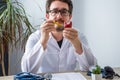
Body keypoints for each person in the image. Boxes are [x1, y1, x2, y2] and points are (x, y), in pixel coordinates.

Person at [21, 0, 97, 74]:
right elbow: (27, 70)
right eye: (54, 12)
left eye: (64, 12)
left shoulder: (78, 36)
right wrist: (43, 41)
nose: (59, 16)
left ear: (70, 16)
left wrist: (77, 44)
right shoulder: (35, 38)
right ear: (47, 16)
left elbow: (92, 68)